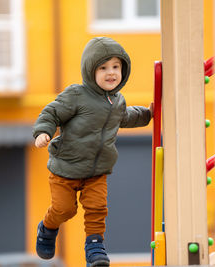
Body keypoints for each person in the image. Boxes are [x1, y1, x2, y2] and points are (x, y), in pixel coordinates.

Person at [33, 36, 152, 267]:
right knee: (64, 209)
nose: (111, 73)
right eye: (104, 67)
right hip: (65, 169)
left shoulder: (117, 101)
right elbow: (51, 113)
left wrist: (148, 113)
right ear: (90, 70)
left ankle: (95, 246)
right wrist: (43, 132)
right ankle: (47, 227)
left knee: (97, 208)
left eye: (116, 67)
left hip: (97, 172)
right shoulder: (76, 95)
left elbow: (125, 116)